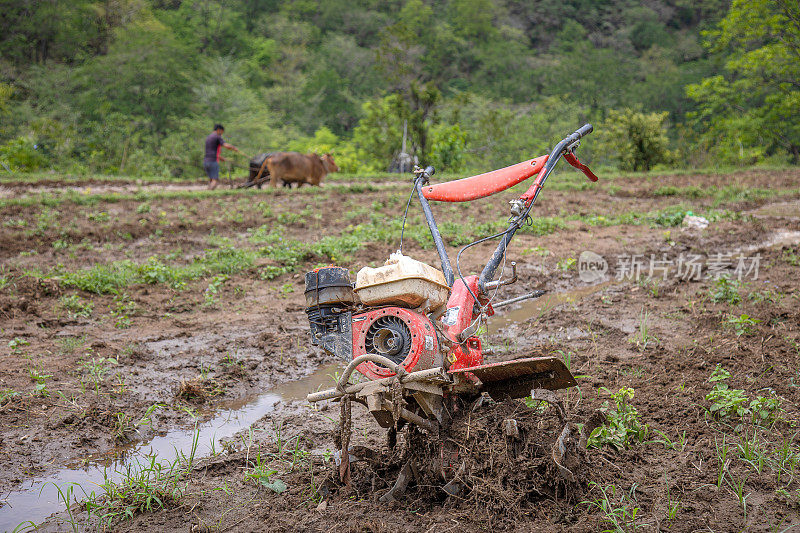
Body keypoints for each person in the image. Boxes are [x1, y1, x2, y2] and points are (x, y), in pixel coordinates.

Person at [203, 124, 241, 189]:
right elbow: (225, 145)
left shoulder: (208, 137)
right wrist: (234, 148)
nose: (221, 134)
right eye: (222, 132)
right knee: (215, 180)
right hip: (213, 161)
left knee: (211, 179)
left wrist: (221, 158)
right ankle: (209, 192)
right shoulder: (217, 136)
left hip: (206, 161)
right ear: (219, 130)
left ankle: (208, 193)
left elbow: (211, 151)